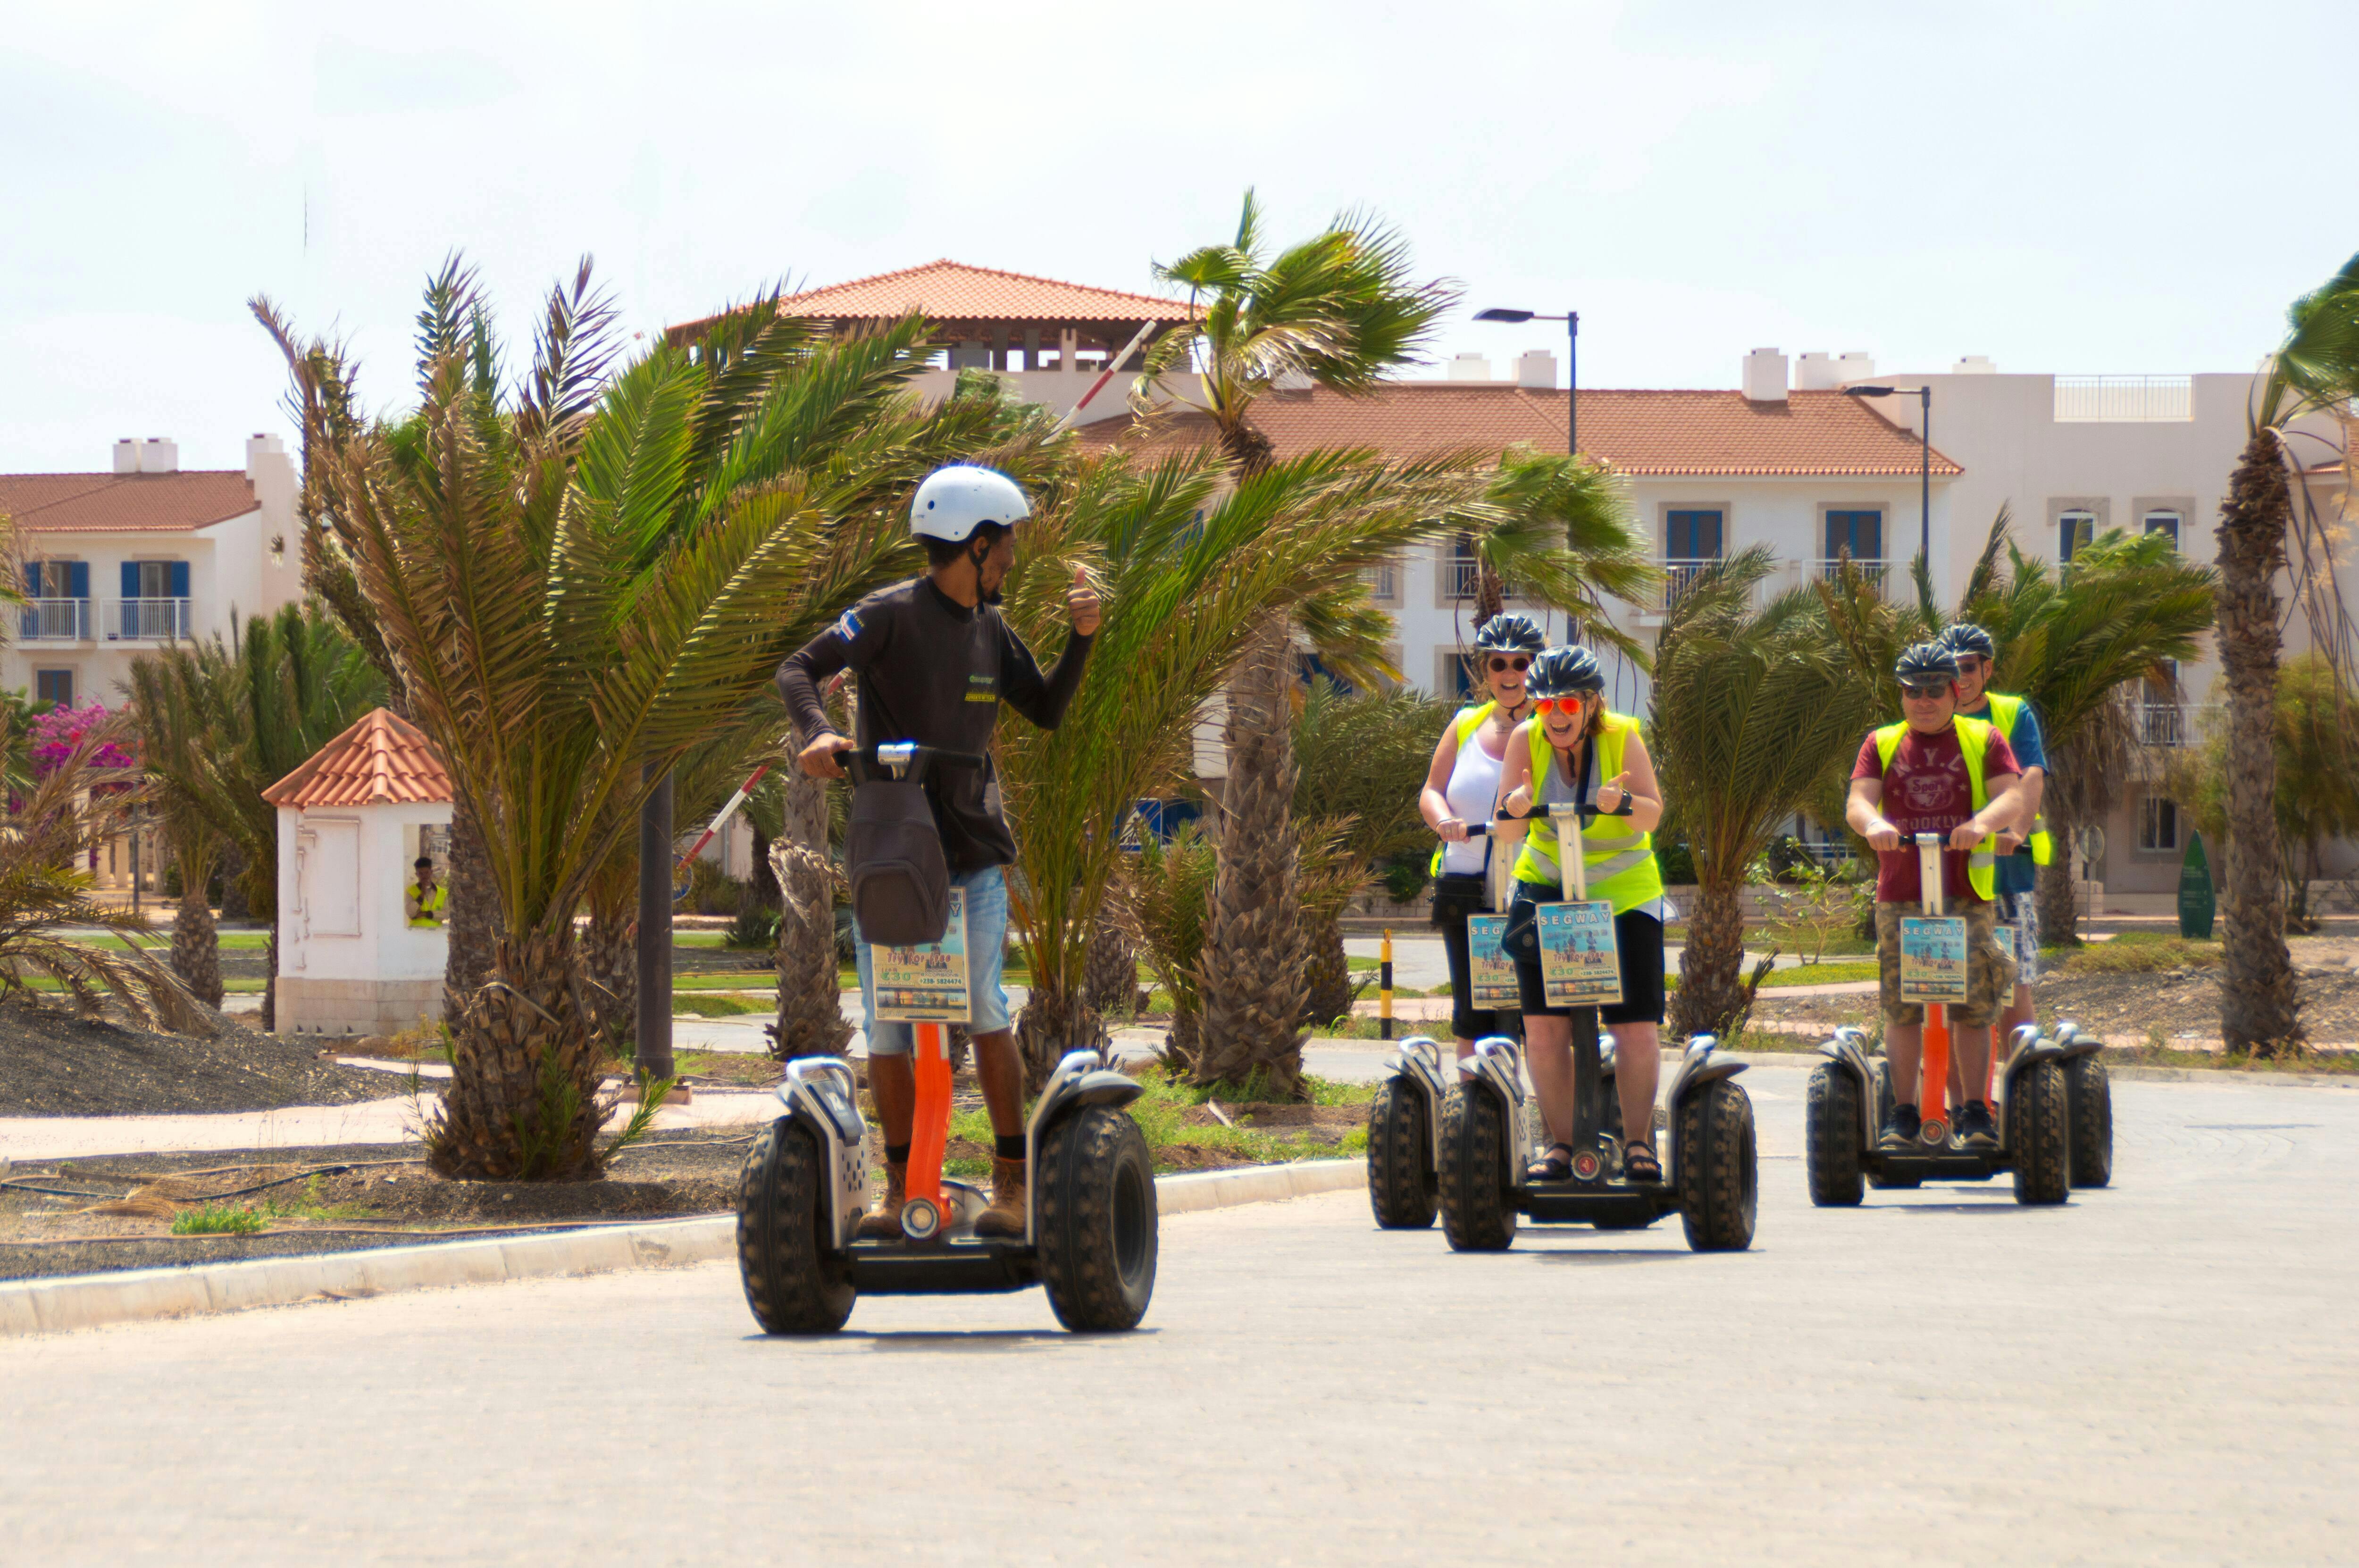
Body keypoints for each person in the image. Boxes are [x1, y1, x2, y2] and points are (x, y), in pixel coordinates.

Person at [778, 463, 1101, 1240]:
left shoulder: (993, 629)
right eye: (1007, 544)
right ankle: (899, 1189)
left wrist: (1082, 640)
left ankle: (1011, 1184)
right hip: (894, 852)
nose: (1013, 559)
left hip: (973, 854)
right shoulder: (886, 615)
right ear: (977, 542)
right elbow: (798, 669)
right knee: (889, 1023)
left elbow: (1048, 708)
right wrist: (819, 733)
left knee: (985, 1011)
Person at [1494, 645, 1670, 1183]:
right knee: (1543, 1028)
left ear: (1591, 704)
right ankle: (1562, 1145)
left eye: (1568, 704)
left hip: (1623, 894)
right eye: (1546, 706)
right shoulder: (1525, 740)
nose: (1558, 716)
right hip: (1546, 887)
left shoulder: (1622, 737)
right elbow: (1504, 830)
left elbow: (1651, 816)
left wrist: (1623, 804)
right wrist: (1515, 809)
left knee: (1634, 1026)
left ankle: (1637, 1142)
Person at [1844, 641, 2024, 1149]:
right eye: (1912, 691)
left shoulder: (1982, 737)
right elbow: (1857, 801)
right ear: (1900, 695)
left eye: (1933, 690)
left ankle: (1974, 1113)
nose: (1923, 700)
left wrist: (1979, 823)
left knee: (1973, 1005)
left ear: (1954, 690)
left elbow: (2010, 794)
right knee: (1903, 1005)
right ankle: (1903, 1113)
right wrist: (1874, 825)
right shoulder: (1880, 743)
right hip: (1900, 894)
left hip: (1965, 893)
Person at [1418, 613, 1545, 1059]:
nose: (1510, 674)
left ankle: (1544, 1112)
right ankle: (1474, 1111)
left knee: (1539, 1011)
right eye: (1498, 664)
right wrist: (1443, 822)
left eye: (1521, 663)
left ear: (1536, 666)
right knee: (1473, 1009)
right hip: (1466, 883)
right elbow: (1432, 790)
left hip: (1533, 884)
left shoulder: (1553, 726)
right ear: (1485, 670)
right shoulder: (1466, 724)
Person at [1941, 621, 2047, 1061]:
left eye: (1968, 668)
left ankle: (2023, 1087)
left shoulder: (2011, 714)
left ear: (1988, 670)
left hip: (2006, 874)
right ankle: (1956, 1105)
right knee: (1945, 990)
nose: (1960, 679)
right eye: (1952, 669)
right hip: (1944, 876)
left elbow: (2032, 774)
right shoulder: (1929, 715)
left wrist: (2017, 830)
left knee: (2012, 984)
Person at [404, 857, 446, 929]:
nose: (424, 876)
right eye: (421, 873)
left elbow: (446, 914)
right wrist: (422, 894)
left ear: (431, 872)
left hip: (436, 934)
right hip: (416, 933)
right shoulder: (410, 891)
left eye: (427, 873)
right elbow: (410, 913)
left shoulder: (442, 892)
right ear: (416, 874)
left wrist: (425, 914)